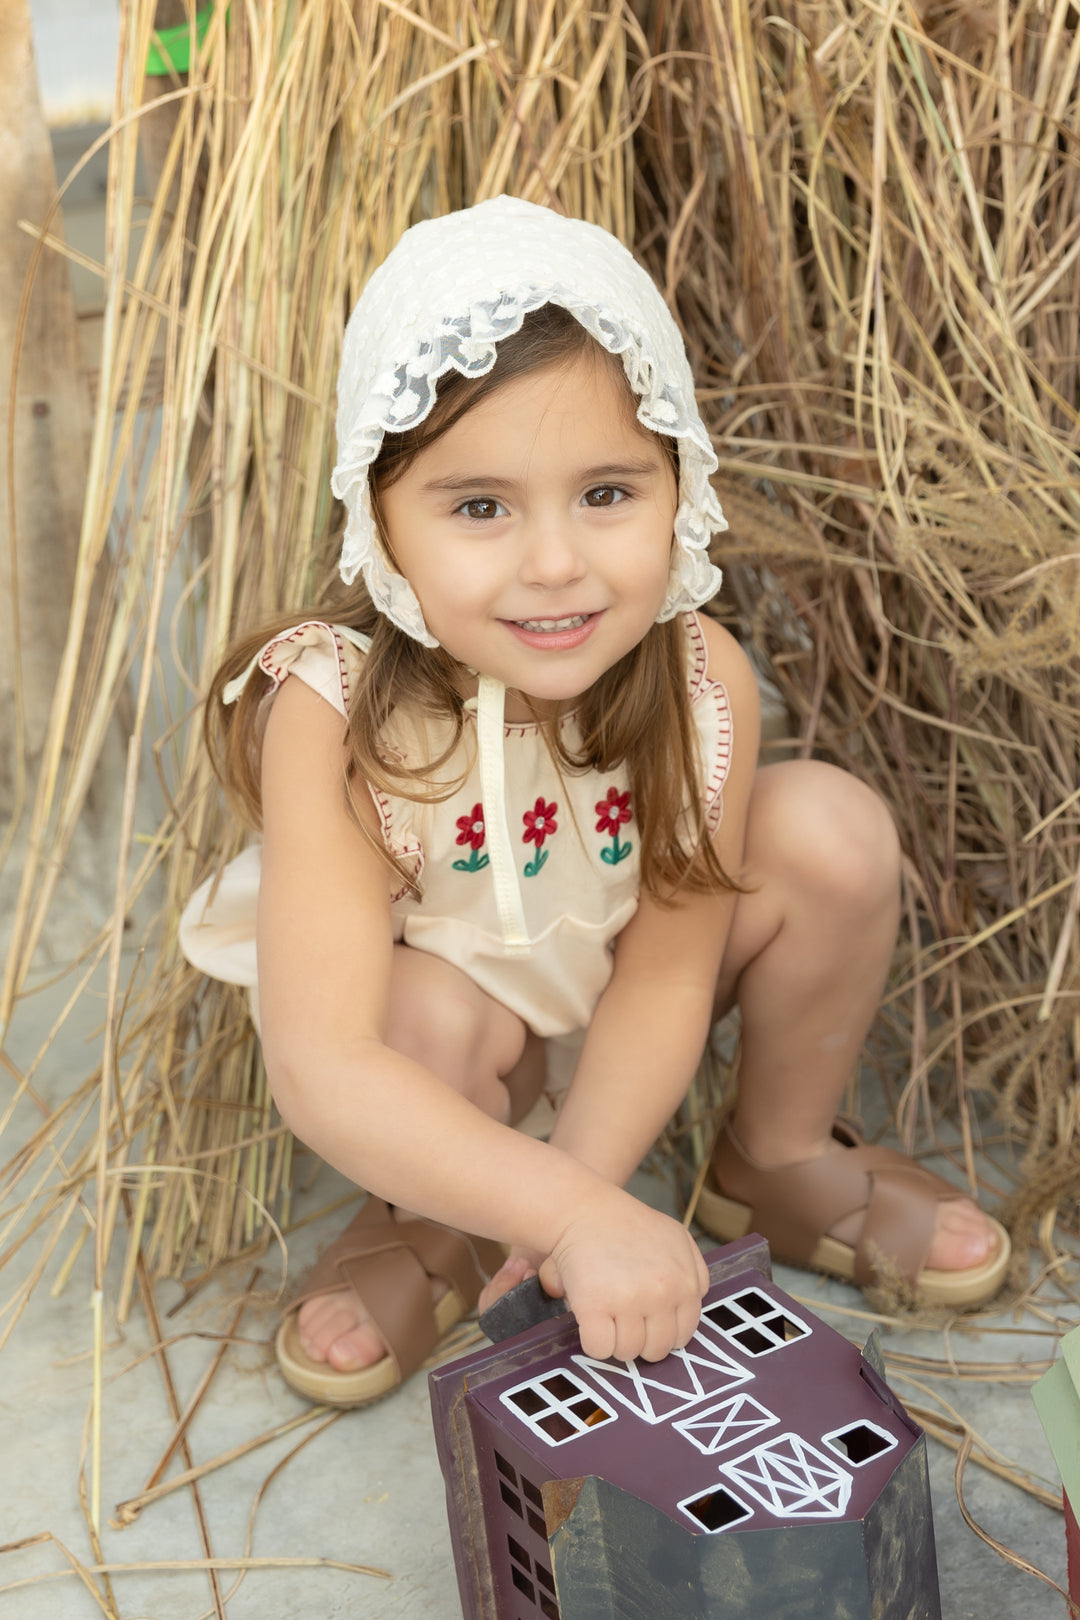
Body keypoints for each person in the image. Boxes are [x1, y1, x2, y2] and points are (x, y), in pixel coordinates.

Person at [180, 197, 1009, 1409]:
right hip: (466, 1059)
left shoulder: (695, 679)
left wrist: (591, 1195)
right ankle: (447, 1218)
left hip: (624, 1010)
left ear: (678, 481)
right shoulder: (334, 711)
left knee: (829, 830)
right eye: (479, 507)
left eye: (607, 494)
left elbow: (673, 974)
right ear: (382, 521)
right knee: (416, 1016)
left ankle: (769, 1159)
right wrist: (570, 1216)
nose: (556, 563)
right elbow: (328, 1063)